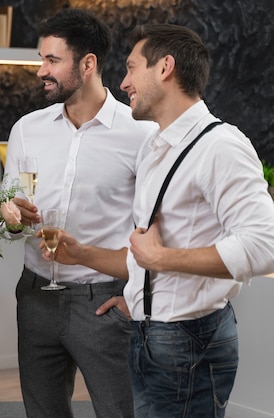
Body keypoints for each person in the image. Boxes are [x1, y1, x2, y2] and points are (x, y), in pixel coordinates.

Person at [49, 23, 274, 417]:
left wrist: (161, 262)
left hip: (188, 340)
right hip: (151, 336)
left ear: (165, 67)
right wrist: (84, 255)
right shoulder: (157, 147)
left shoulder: (221, 146)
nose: (123, 83)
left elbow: (264, 246)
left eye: (132, 68)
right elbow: (146, 254)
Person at [3, 9, 156, 418]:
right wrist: (9, 214)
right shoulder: (26, 129)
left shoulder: (141, 133)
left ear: (88, 64)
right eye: (42, 59)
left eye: (52, 60)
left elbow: (156, 227)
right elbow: (9, 217)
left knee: (120, 411)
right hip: (35, 297)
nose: (41, 71)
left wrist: (132, 297)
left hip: (104, 301)